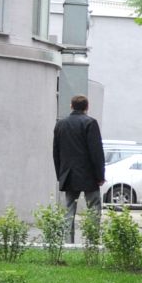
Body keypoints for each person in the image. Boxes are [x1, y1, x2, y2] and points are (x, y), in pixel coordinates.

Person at [51, 94, 105, 237]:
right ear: (87, 107)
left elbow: (56, 151)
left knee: (68, 210)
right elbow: (96, 152)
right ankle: (92, 241)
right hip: (89, 175)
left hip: (68, 174)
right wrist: (100, 176)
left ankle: (68, 243)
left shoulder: (60, 124)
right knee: (93, 208)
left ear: (71, 106)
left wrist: (60, 175)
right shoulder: (90, 123)